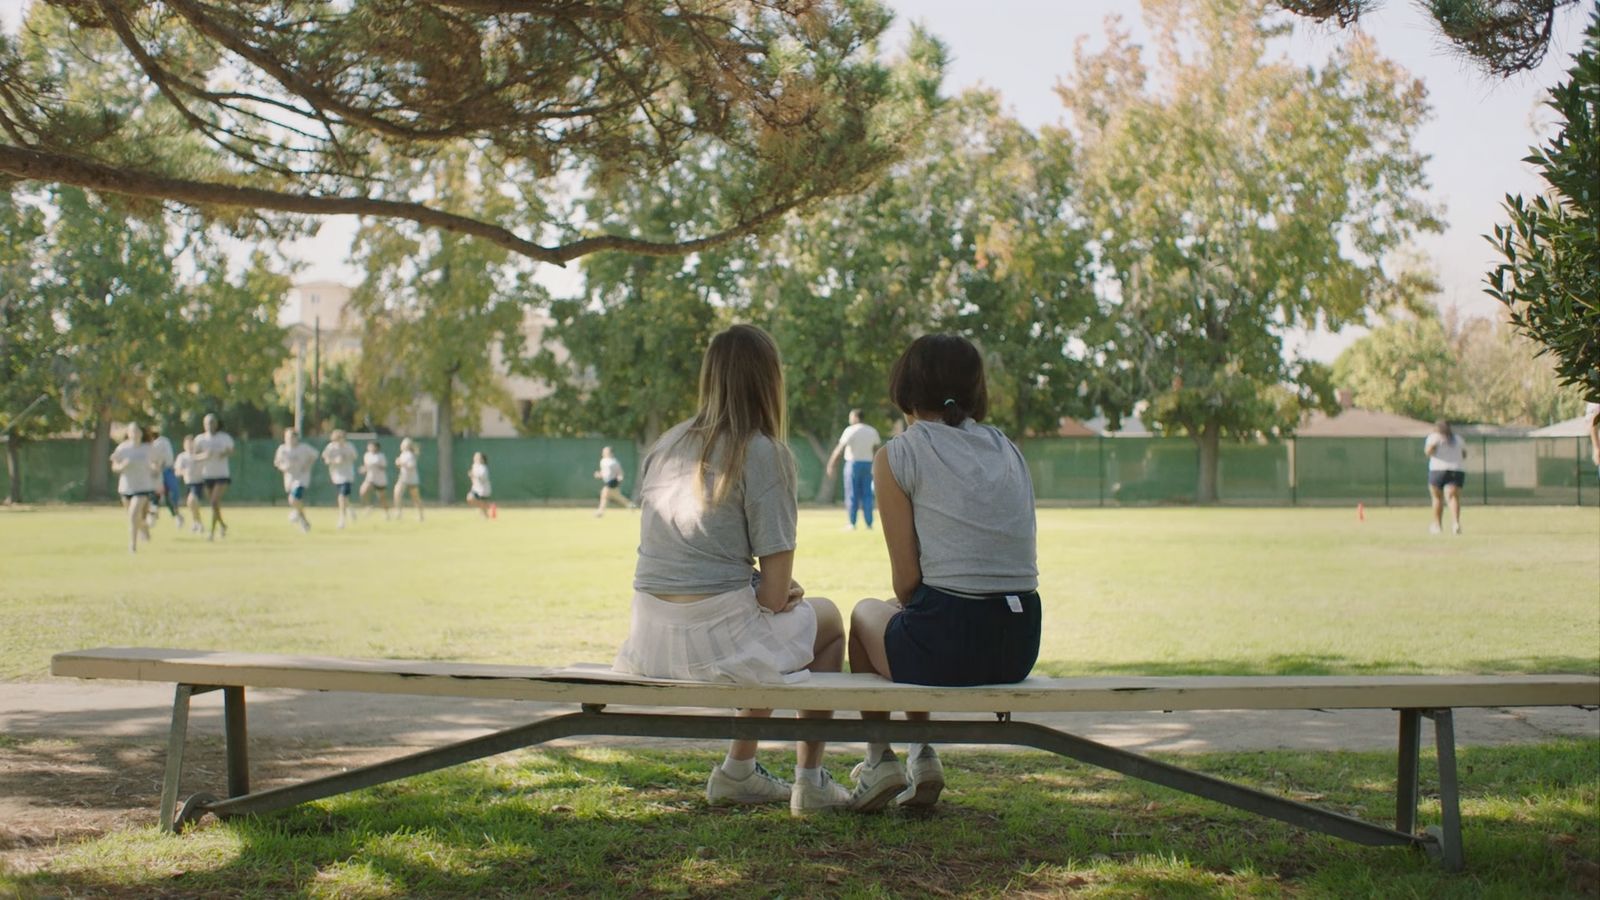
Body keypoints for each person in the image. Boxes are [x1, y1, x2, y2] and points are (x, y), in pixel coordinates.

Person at [613, 324, 850, 816]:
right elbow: (772, 596)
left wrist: (761, 588)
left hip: (649, 639)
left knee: (761, 634)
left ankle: (739, 772)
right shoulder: (764, 452)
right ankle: (810, 781)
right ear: (769, 381)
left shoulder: (665, 446)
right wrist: (774, 589)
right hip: (715, 644)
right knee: (826, 622)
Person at [845, 334, 1042, 812]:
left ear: (906, 388)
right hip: (1020, 643)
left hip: (952, 641)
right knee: (910, 618)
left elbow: (906, 582)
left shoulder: (899, 454)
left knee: (866, 616)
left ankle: (880, 760)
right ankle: (922, 755)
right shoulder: (1006, 447)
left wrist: (910, 603)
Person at [824, 408, 881, 530]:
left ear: (855, 417)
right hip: (868, 464)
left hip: (853, 464)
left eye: (851, 416)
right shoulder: (872, 431)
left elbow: (839, 449)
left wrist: (831, 464)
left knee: (852, 493)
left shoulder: (850, 430)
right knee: (867, 494)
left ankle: (852, 523)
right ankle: (869, 523)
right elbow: (877, 450)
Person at [109, 422, 158, 553]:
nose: (135, 434)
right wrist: (122, 466)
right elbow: (114, 466)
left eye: (137, 431)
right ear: (128, 434)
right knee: (135, 517)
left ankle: (132, 546)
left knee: (133, 514)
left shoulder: (147, 448)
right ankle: (144, 527)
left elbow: (155, 464)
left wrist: (153, 468)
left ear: (141, 433)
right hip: (126, 487)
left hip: (143, 486)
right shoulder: (122, 448)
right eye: (132, 431)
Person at [191, 413, 235, 541]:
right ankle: (222, 525)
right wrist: (205, 456)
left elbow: (231, 450)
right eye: (207, 423)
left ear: (216, 424)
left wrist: (224, 453)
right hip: (207, 474)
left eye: (212, 423)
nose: (210, 426)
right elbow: (194, 456)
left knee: (214, 501)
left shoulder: (224, 437)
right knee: (214, 505)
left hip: (221, 474)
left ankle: (212, 531)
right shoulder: (200, 439)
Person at [1425, 420, 1468, 535]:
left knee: (1437, 498)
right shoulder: (1458, 439)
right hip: (1456, 469)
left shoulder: (1434, 437)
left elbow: (1428, 452)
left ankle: (1438, 525)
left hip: (1438, 470)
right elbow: (1464, 455)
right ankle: (1456, 523)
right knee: (1453, 497)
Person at [274, 427, 319, 532]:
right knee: (294, 501)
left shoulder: (303, 448)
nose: (289, 439)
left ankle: (299, 516)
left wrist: (307, 466)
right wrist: (284, 467)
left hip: (301, 477)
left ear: (296, 438)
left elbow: (314, 455)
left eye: (291, 437)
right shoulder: (282, 449)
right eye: (287, 437)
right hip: (289, 478)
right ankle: (303, 520)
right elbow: (277, 462)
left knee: (293, 499)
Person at [321, 429, 359, 529]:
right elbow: (326, 459)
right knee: (344, 497)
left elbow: (354, 456)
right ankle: (350, 509)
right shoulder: (331, 447)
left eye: (342, 438)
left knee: (342, 495)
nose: (340, 441)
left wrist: (346, 457)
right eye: (338, 439)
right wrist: (335, 461)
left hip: (347, 475)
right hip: (336, 475)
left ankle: (342, 519)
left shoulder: (349, 446)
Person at [145, 424, 180, 530]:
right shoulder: (147, 445)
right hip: (154, 472)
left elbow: (164, 459)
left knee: (167, 495)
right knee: (154, 495)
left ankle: (176, 516)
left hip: (164, 471)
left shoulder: (162, 442)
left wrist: (158, 467)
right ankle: (153, 515)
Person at [174, 435, 204, 533]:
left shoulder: (199, 455)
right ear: (184, 445)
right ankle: (197, 523)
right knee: (191, 505)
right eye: (188, 444)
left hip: (198, 483)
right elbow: (177, 471)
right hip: (188, 483)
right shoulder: (182, 457)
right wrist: (183, 472)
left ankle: (197, 523)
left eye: (192, 444)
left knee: (191, 501)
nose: (190, 447)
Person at [593, 446, 632, 516]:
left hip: (612, 481)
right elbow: (604, 472)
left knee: (604, 496)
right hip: (607, 481)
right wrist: (599, 474)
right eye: (604, 451)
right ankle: (630, 505)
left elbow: (620, 472)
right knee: (618, 497)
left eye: (606, 451)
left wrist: (620, 477)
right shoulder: (603, 461)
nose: (604, 453)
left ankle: (600, 512)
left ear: (611, 453)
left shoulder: (614, 462)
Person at [360, 440, 393, 520]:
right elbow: (366, 467)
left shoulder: (381, 456)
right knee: (363, 491)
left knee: (382, 497)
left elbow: (384, 467)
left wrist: (376, 465)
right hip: (370, 478)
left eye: (372, 446)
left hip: (380, 479)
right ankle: (368, 506)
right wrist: (364, 469)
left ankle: (387, 513)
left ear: (376, 447)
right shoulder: (367, 455)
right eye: (369, 446)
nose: (370, 448)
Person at [393, 437, 424, 521]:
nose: (402, 445)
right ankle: (398, 512)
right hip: (403, 477)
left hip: (412, 479)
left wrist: (400, 463)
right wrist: (399, 463)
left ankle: (420, 515)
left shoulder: (410, 455)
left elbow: (411, 466)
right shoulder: (403, 454)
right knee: (397, 493)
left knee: (415, 498)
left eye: (404, 444)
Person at [466, 452, 496, 519]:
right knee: (469, 498)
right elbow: (473, 478)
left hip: (483, 490)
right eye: (475, 457)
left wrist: (473, 475)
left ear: (482, 459)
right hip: (475, 488)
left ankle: (487, 511)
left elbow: (482, 478)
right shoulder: (474, 466)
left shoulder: (483, 468)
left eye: (477, 457)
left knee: (484, 513)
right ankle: (486, 507)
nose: (475, 458)